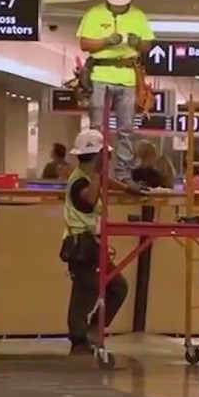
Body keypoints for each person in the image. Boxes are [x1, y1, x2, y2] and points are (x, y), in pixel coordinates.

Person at [61, 129, 131, 356]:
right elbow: (90, 199)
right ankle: (79, 340)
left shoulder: (88, 175)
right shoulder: (79, 181)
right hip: (82, 246)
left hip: (92, 245)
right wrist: (100, 172)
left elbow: (105, 183)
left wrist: (128, 188)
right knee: (85, 293)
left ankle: (92, 330)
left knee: (117, 287)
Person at [76, 0, 155, 188]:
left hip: (127, 77)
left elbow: (147, 45)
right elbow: (84, 44)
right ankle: (96, 171)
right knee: (97, 128)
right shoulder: (94, 13)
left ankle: (123, 173)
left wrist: (137, 43)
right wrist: (106, 41)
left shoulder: (138, 15)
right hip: (100, 75)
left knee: (126, 128)